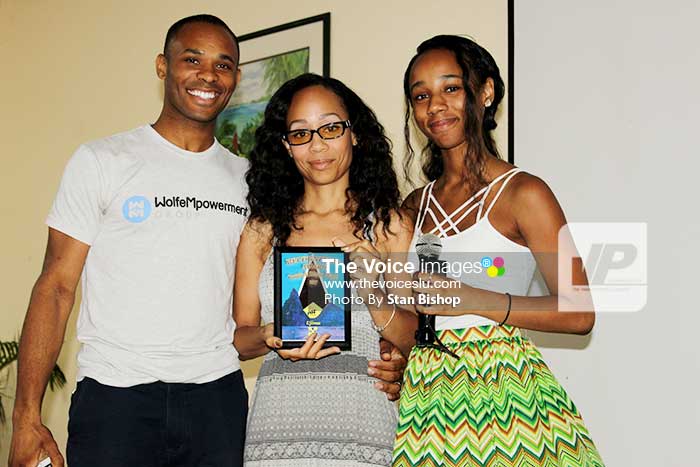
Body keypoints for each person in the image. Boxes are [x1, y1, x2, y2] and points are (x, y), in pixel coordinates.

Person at [7, 14, 402, 467]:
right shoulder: (102, 160)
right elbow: (55, 287)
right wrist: (26, 417)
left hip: (217, 401)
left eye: (224, 64)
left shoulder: (251, 184)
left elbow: (253, 320)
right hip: (116, 398)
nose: (208, 76)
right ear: (162, 66)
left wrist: (391, 354)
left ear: (235, 78)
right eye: (192, 59)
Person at [391, 35, 605, 467]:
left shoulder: (524, 192)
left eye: (451, 88)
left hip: (509, 393)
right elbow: (405, 312)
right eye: (421, 95)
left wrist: (473, 298)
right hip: (428, 397)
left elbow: (580, 313)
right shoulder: (413, 205)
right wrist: (393, 352)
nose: (435, 106)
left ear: (485, 93)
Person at [233, 73, 417, 466]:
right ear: (286, 146)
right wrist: (271, 336)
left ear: (355, 134)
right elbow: (239, 339)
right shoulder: (261, 230)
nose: (317, 145)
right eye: (300, 134)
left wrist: (372, 287)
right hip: (277, 430)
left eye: (331, 128)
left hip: (363, 428)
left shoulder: (389, 226)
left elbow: (412, 338)